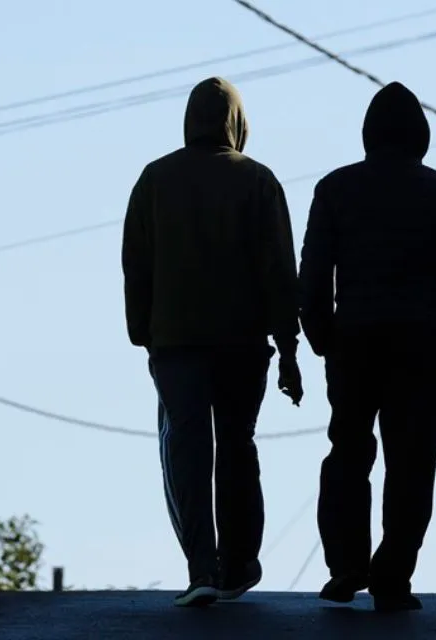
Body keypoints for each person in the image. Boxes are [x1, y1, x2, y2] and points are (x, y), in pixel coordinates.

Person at [298, 81, 436, 612]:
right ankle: (393, 575)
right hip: (422, 348)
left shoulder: (335, 188)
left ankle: (346, 566)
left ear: (368, 135)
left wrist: (319, 335)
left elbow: (312, 271)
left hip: (352, 341)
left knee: (348, 452)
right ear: (421, 137)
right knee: (412, 463)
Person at [121, 76, 304, 608]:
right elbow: (278, 271)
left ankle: (201, 565)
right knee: (238, 445)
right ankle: (241, 563)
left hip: (175, 343)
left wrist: (143, 331)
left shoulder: (154, 179)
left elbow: (136, 263)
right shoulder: (259, 181)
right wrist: (288, 349)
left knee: (188, 444)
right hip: (244, 344)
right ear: (238, 123)